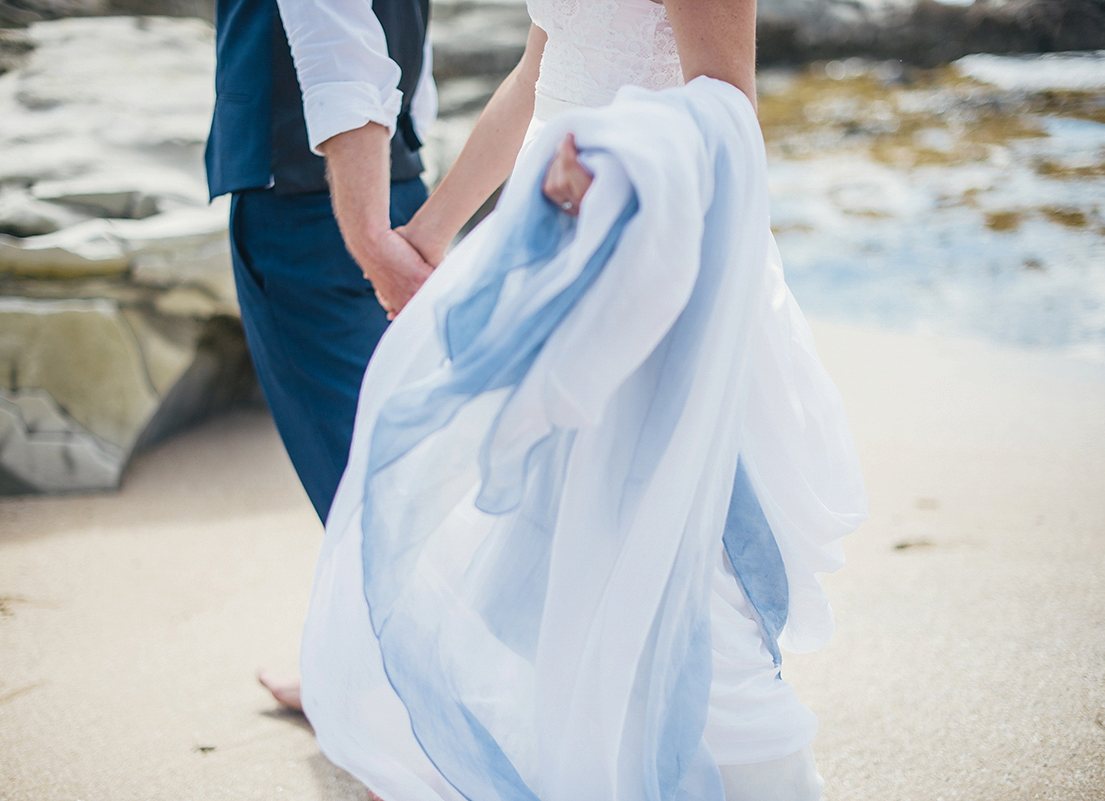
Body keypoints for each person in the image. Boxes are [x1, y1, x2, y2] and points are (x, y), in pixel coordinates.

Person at [286, 1, 869, 800]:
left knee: (692, 586)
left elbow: (729, 104)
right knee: (574, 570)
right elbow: (540, 74)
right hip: (552, 249)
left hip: (660, 263)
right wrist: (431, 231)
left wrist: (616, 158)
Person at [204, 0, 436, 708]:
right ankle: (359, 663)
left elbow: (337, 38)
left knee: (363, 473)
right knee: (416, 455)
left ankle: (410, 713)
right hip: (395, 180)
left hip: (317, 204)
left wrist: (369, 239)